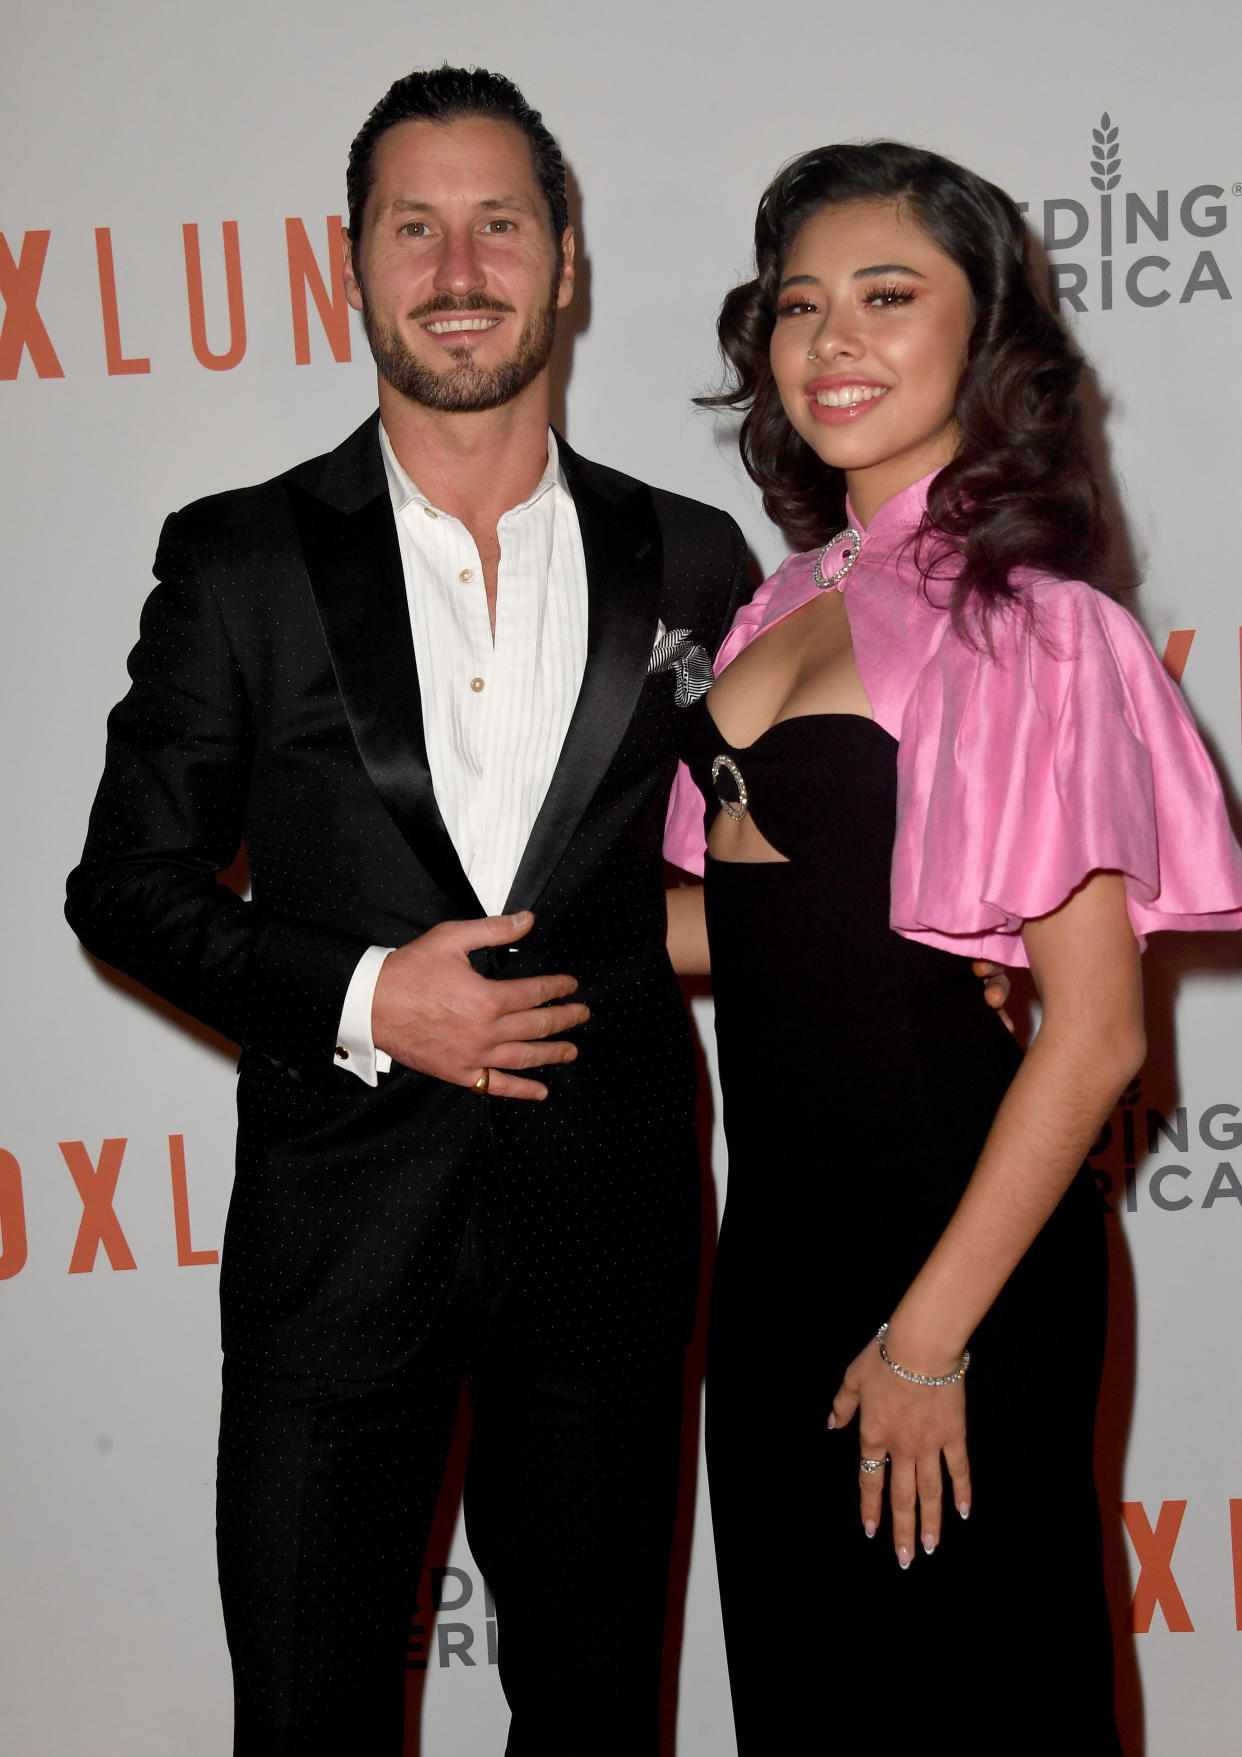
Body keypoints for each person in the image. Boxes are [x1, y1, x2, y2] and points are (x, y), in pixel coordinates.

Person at [63, 65, 754, 1756]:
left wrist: (954, 965)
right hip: (336, 1240)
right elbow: (126, 887)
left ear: (566, 259)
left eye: (499, 223)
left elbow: (754, 886)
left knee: (596, 1713)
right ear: (348, 265)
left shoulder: (698, 561)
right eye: (415, 227)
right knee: (307, 1715)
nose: (459, 267)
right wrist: (371, 995)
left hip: (608, 1225)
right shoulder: (238, 560)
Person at [663, 141, 1242, 1754]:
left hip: (959, 1267)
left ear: (983, 332)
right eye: (797, 305)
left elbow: (1094, 1035)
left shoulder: (1036, 622)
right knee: (808, 1698)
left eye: (885, 296)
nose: (829, 340)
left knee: (978, 1704)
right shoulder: (777, 603)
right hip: (773, 1264)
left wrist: (929, 1336)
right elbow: (775, 923)